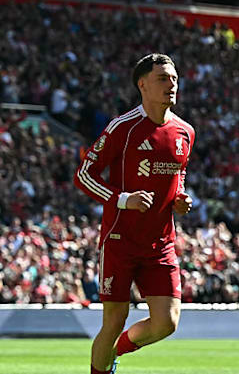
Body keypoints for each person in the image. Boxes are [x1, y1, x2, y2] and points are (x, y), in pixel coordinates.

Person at [73, 53, 195, 374]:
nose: (171, 84)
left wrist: (180, 197)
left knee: (167, 322)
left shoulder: (185, 132)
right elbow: (84, 175)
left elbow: (178, 174)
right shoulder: (122, 128)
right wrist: (123, 199)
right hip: (120, 239)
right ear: (142, 84)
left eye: (174, 78)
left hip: (160, 243)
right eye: (163, 78)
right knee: (113, 321)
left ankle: (116, 353)